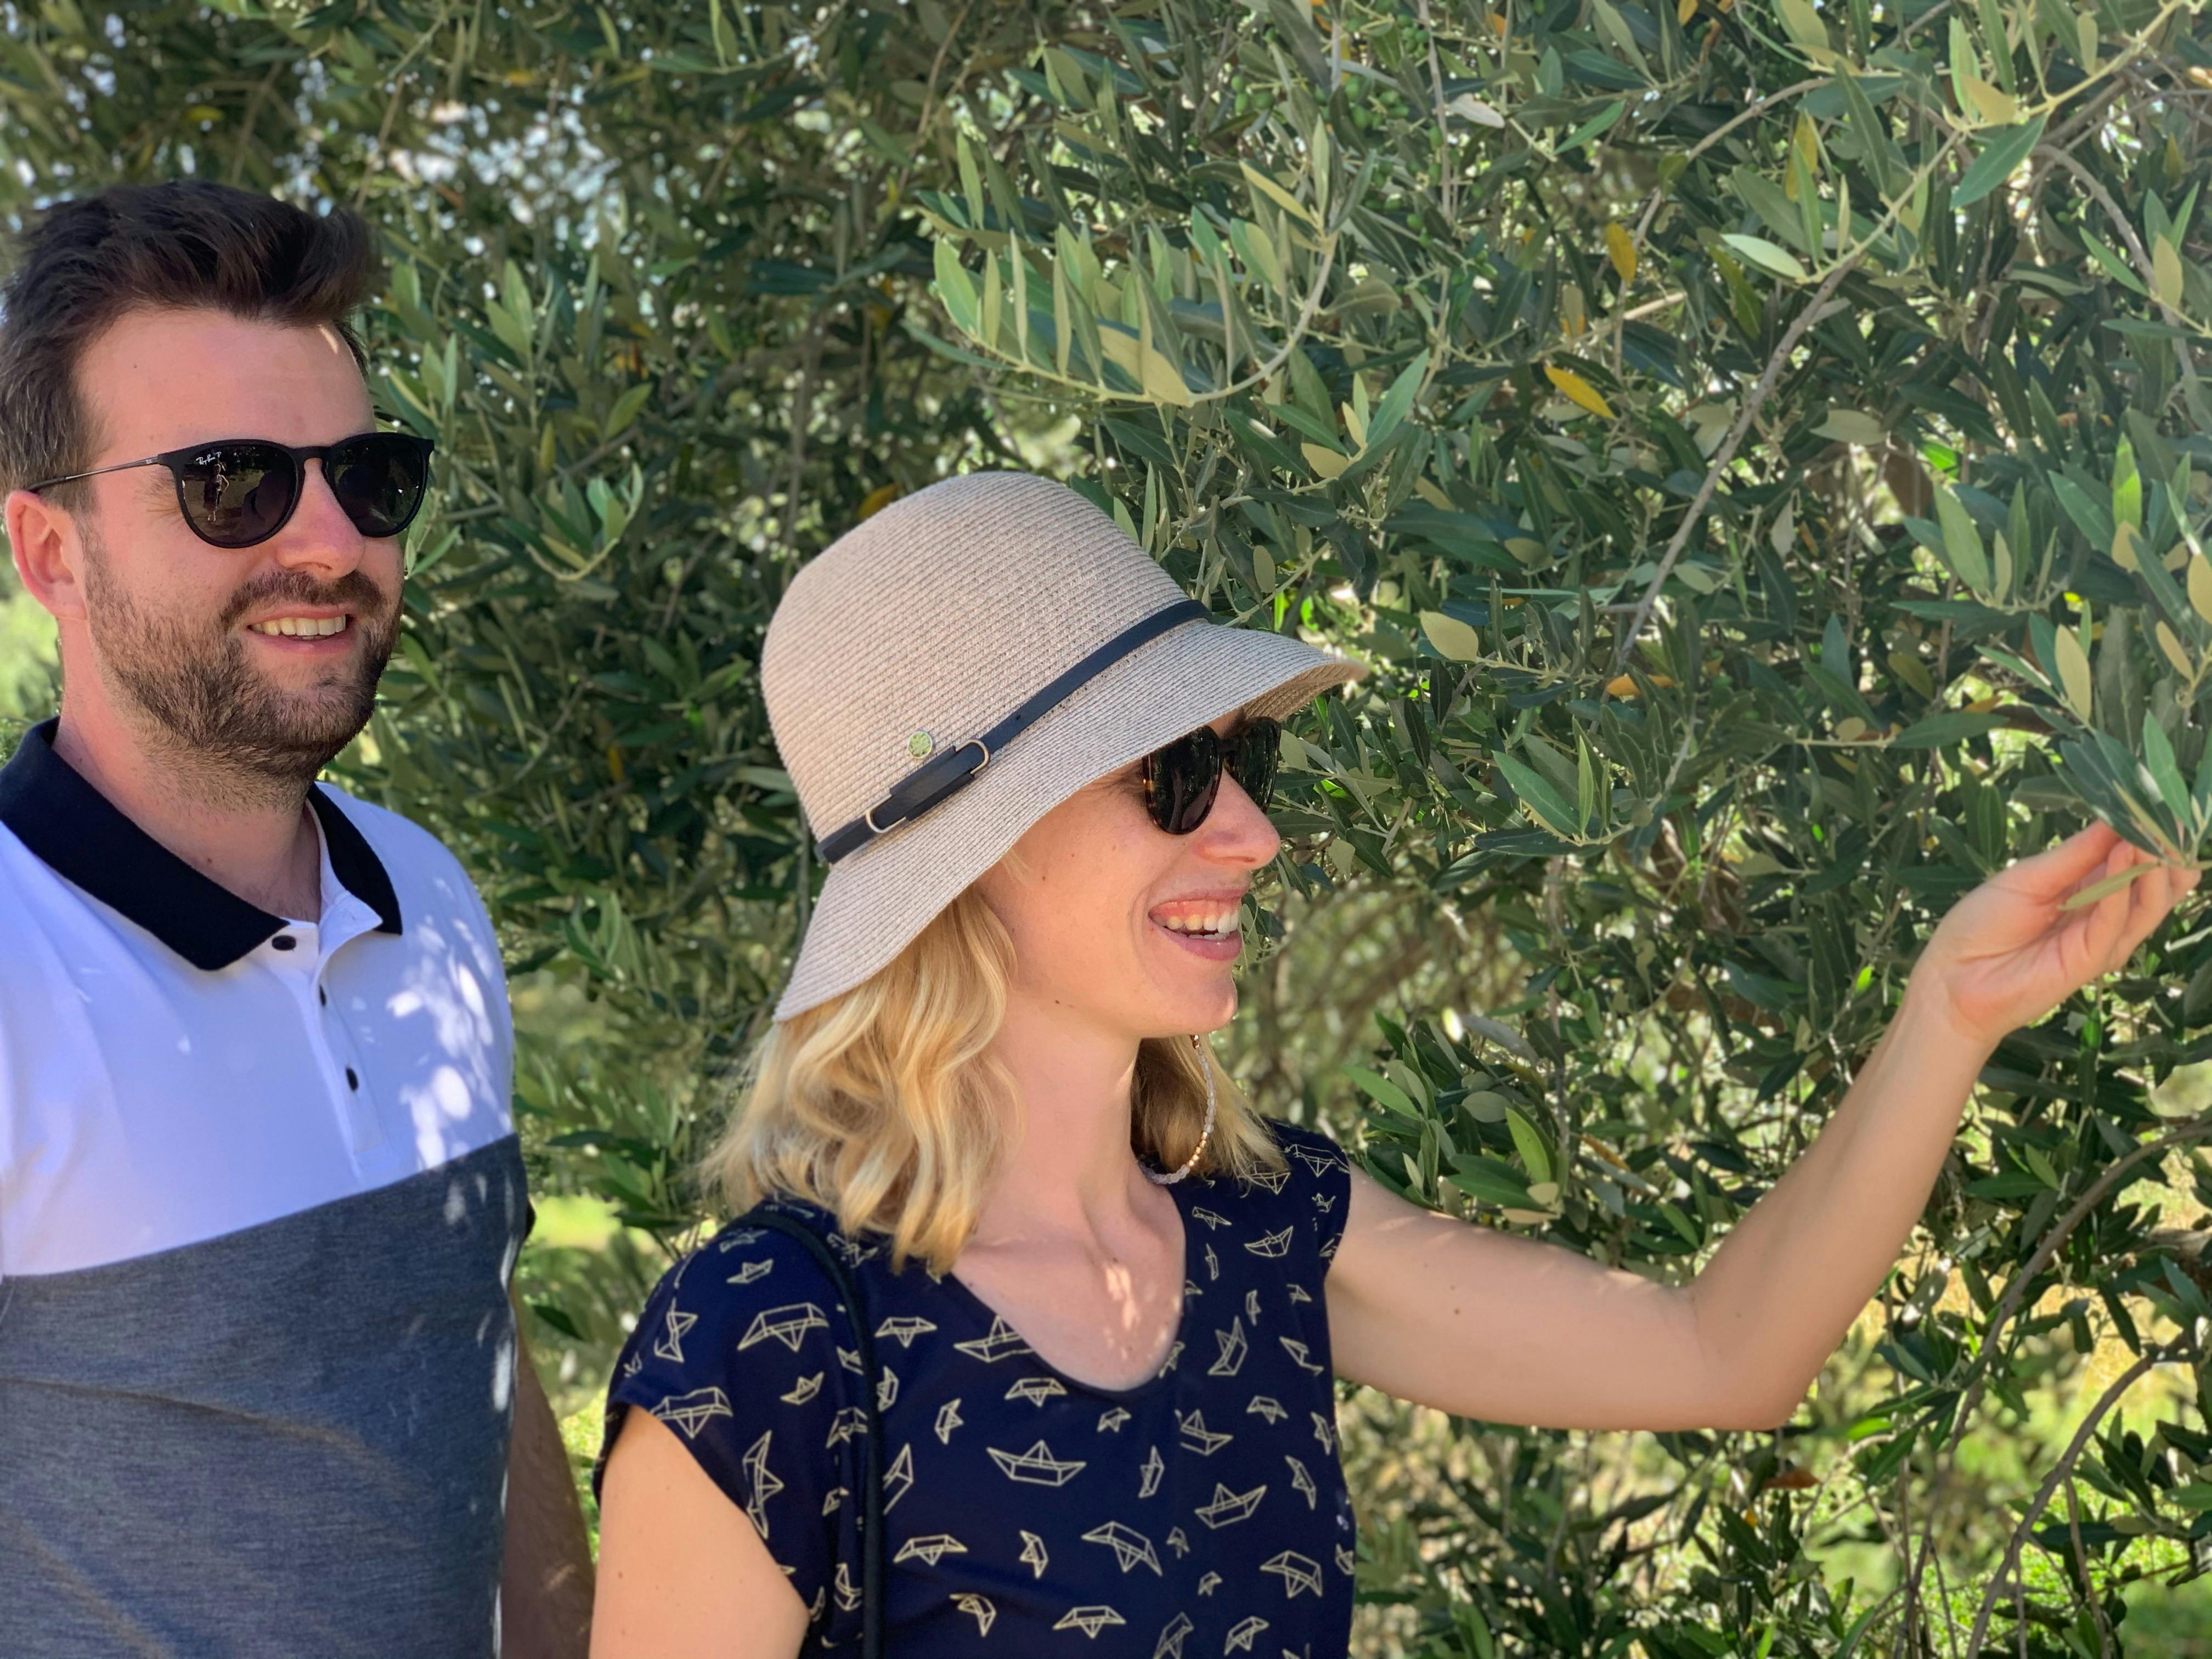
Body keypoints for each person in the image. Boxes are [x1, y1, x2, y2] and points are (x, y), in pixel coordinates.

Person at [588, 472, 2196, 1657]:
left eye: (1246, 761)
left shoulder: (1265, 1232)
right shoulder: (773, 1345)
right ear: (964, 863)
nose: (1255, 831)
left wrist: (1949, 1016)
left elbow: (1723, 1353)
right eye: (1172, 776)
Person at [0, 182, 592, 1658]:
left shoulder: (427, 896)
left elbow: (481, 1346)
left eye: (368, 477)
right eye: (230, 482)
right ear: (49, 552)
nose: (329, 543)